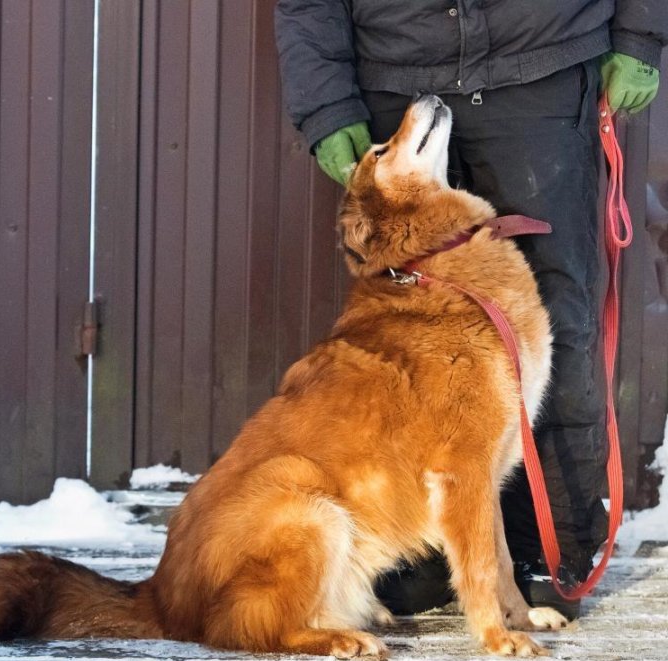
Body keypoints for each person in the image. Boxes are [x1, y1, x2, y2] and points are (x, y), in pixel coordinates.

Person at [274, 0, 667, 620]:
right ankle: (425, 556)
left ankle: (548, 549)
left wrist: (642, 35)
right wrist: (325, 105)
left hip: (540, 70)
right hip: (394, 72)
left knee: (554, 322)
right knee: (406, 341)